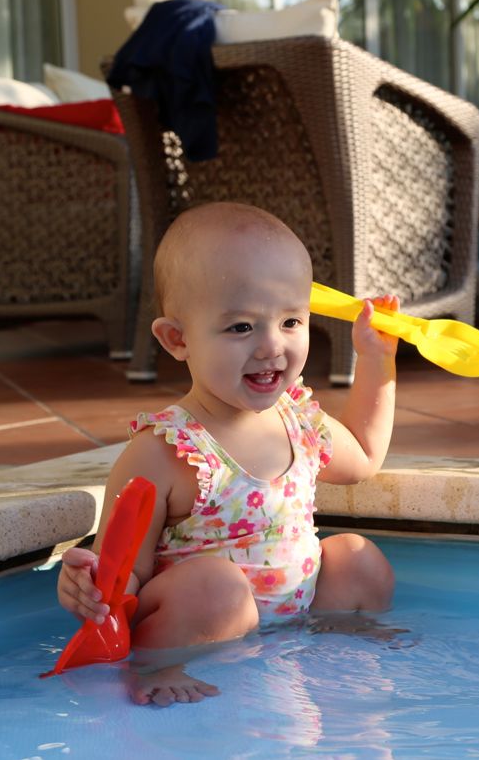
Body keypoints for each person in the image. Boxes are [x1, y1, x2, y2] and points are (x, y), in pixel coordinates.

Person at [56, 201, 399, 707]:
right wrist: (86, 586)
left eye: (290, 321)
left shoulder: (301, 420)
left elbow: (365, 457)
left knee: (357, 558)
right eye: (241, 327)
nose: (271, 346)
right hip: (199, 636)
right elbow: (124, 571)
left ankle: (337, 641)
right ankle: (156, 667)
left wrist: (376, 360)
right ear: (177, 339)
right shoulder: (166, 450)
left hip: (297, 617)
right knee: (216, 587)